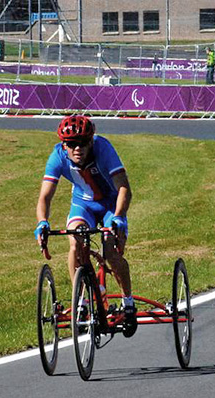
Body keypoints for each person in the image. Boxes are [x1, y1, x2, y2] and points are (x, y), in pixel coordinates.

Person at [34, 115, 137, 337]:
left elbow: (124, 189)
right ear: (64, 145)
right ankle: (80, 301)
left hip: (111, 205)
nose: (77, 148)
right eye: (71, 144)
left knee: (110, 251)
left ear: (91, 141)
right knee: (74, 243)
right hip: (83, 206)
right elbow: (45, 197)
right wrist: (42, 222)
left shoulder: (104, 148)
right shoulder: (57, 156)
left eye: (82, 142)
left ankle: (128, 303)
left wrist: (118, 217)